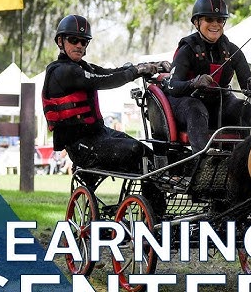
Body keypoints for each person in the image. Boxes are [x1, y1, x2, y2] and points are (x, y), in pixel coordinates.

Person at [42, 14, 170, 209]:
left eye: (84, 42)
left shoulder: (84, 67)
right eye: (73, 40)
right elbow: (102, 81)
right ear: (60, 41)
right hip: (81, 145)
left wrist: (142, 67)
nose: (79, 45)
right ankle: (149, 215)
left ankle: (156, 215)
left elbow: (111, 72)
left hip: (99, 135)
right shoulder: (63, 71)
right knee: (134, 151)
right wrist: (135, 72)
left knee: (147, 153)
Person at [163, 0, 251, 153]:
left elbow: (246, 85)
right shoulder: (186, 50)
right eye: (209, 20)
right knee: (196, 108)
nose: (215, 25)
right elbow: (172, 87)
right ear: (197, 22)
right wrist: (193, 83)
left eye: (220, 20)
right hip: (188, 106)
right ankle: (204, 161)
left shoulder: (232, 50)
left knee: (244, 107)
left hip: (219, 105)